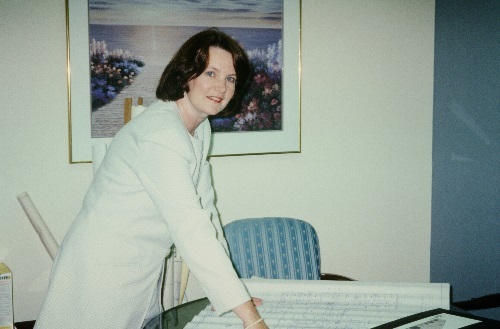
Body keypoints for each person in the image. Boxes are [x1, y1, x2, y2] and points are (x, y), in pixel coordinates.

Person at [34, 28, 268, 329]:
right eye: (211, 73)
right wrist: (251, 318)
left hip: (140, 272)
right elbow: (190, 229)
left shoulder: (199, 129)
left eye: (230, 78)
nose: (221, 86)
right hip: (100, 274)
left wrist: (229, 293)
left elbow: (206, 214)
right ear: (187, 75)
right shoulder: (161, 133)